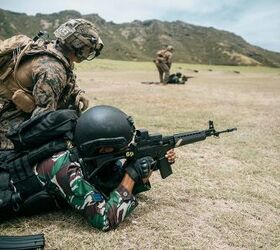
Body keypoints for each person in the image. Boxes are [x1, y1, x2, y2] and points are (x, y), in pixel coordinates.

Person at [0, 105, 176, 231]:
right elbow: (105, 219)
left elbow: (106, 181)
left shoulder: (82, 151)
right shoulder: (65, 167)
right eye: (120, 147)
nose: (125, 151)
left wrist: (145, 168)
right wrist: (131, 176)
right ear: (103, 148)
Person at [0, 18, 104, 149]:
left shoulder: (49, 47)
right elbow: (42, 121)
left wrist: (76, 91)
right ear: (78, 46)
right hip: (9, 132)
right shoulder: (53, 70)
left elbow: (64, 75)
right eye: (89, 49)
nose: (88, 53)